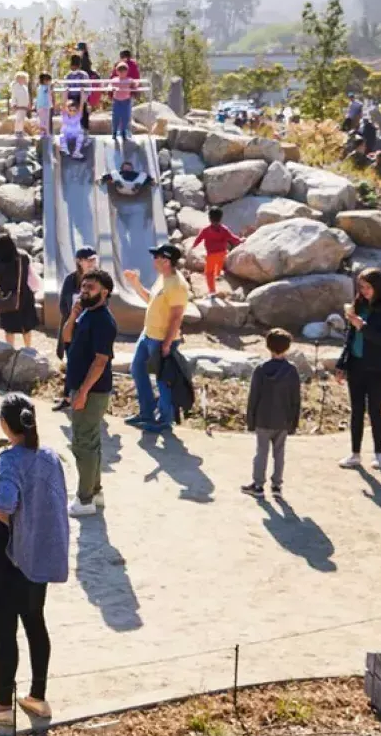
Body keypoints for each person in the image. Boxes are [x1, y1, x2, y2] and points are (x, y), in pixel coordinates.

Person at [0, 394, 68, 728]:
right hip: (37, 557)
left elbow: (5, 502)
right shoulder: (50, 458)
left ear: (5, 424)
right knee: (35, 623)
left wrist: (2, 515)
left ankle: (2, 706)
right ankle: (37, 698)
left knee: (5, 631)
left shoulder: (9, 459)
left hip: (6, 558)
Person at [59, 270, 116, 517]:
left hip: (91, 391)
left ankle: (84, 500)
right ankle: (94, 491)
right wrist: (72, 315)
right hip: (82, 388)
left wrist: (82, 392)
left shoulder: (103, 320)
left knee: (83, 444)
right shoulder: (86, 315)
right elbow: (66, 338)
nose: (84, 290)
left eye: (90, 287)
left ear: (104, 292)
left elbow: (101, 361)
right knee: (91, 441)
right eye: (83, 286)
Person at [121, 245, 188, 434]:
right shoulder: (163, 279)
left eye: (156, 257)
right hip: (148, 334)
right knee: (137, 369)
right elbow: (151, 300)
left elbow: (177, 317)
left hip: (161, 339)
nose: (153, 260)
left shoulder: (178, 285)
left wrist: (167, 343)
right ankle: (147, 413)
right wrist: (135, 283)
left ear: (166, 261)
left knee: (163, 380)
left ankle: (164, 420)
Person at [337, 268, 381, 471]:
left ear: (378, 287)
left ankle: (378, 454)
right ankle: (355, 453)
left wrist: (363, 326)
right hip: (357, 363)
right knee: (356, 411)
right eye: (361, 287)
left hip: (379, 367)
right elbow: (350, 338)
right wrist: (341, 363)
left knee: (375, 411)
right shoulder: (359, 305)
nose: (364, 291)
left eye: (368, 287)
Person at [241, 330, 302, 498]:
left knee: (261, 452)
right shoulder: (292, 371)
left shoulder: (260, 370)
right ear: (287, 348)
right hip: (283, 420)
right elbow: (295, 399)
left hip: (262, 418)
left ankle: (258, 485)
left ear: (268, 347)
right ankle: (277, 485)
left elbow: (254, 397)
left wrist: (250, 420)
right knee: (279, 453)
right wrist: (294, 422)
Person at [54, 247, 97, 370]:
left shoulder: (100, 279)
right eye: (88, 260)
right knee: (73, 359)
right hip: (72, 325)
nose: (91, 263)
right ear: (79, 262)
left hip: (91, 325)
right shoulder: (70, 280)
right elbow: (63, 305)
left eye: (93, 260)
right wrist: (72, 317)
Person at [0, 233, 37, 350]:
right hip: (24, 294)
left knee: (9, 327)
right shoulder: (23, 258)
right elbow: (29, 275)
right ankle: (28, 349)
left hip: (6, 297)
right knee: (25, 326)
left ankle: (10, 350)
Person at [188, 208, 243, 296]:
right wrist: (240, 240)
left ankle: (212, 291)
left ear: (209, 218)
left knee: (209, 273)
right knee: (219, 263)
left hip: (211, 255)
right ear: (221, 218)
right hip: (222, 253)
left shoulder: (206, 230)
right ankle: (218, 274)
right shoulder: (224, 229)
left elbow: (199, 239)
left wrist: (193, 246)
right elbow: (232, 237)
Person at [109, 49, 140, 142]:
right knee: (122, 116)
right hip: (122, 96)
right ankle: (121, 132)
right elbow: (137, 77)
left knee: (125, 116)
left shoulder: (123, 65)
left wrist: (135, 87)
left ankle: (122, 132)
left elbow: (135, 80)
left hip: (126, 95)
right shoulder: (131, 65)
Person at [34, 72, 54, 137]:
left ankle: (45, 133)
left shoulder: (41, 87)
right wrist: (52, 85)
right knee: (44, 121)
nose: (48, 81)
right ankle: (45, 133)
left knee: (44, 120)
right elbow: (48, 91)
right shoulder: (44, 87)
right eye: (47, 80)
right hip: (43, 107)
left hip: (43, 107)